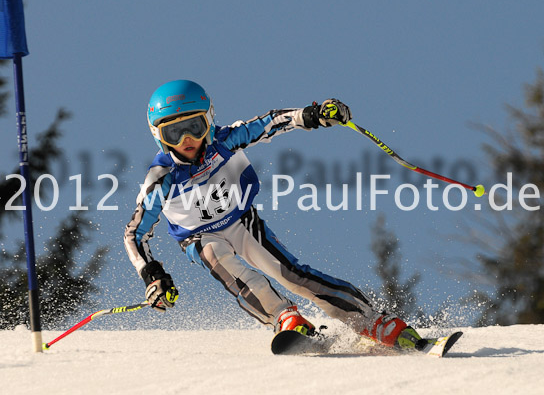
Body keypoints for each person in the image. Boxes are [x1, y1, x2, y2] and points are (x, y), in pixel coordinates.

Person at [124, 79, 424, 350]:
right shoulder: (162, 178)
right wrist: (153, 275)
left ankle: (371, 321)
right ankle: (285, 318)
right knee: (218, 258)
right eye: (173, 132)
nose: (186, 139)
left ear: (209, 121)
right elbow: (135, 234)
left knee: (292, 275)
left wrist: (312, 114)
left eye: (195, 127)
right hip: (198, 236)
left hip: (240, 220)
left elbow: (269, 123)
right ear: (158, 136)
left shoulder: (223, 141)